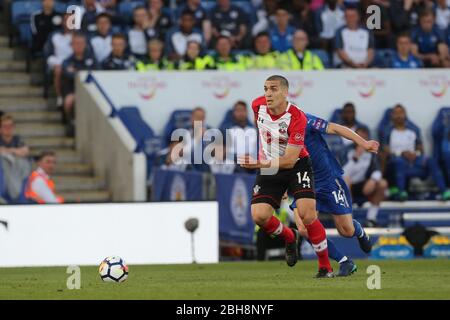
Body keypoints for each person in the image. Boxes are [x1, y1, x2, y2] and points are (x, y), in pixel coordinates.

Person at [238, 75, 334, 278]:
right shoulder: (257, 106)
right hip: (271, 166)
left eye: (273, 89)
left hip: (297, 165)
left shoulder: (297, 116)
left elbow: (290, 159)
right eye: (265, 88)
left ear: (285, 92)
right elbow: (265, 134)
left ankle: (325, 267)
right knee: (259, 216)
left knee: (308, 215)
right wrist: (264, 159)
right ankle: (290, 237)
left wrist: (257, 163)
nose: (268, 93)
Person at [287, 112, 378, 276]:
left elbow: (334, 128)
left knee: (346, 231)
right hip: (304, 181)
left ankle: (359, 231)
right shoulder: (271, 130)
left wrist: (363, 143)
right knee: (303, 227)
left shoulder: (303, 119)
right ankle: (344, 262)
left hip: (328, 180)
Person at [383, 104, 450, 201]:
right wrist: (401, 153)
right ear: (392, 116)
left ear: (405, 114)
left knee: (431, 160)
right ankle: (401, 192)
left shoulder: (414, 129)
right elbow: (385, 149)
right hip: (396, 158)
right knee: (399, 162)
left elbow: (420, 148)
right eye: (396, 113)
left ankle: (444, 191)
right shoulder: (387, 131)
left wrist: (415, 153)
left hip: (414, 158)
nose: (399, 116)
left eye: (401, 113)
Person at [343, 127, 388, 227]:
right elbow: (342, 173)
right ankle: (349, 218)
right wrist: (356, 157)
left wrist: (373, 180)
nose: (361, 140)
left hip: (363, 184)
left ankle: (371, 218)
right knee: (346, 180)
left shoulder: (372, 152)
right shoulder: (346, 150)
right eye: (358, 137)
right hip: (346, 185)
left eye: (364, 137)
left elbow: (377, 170)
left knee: (382, 183)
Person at [61, 33, 98, 135]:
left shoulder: (92, 60)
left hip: (91, 90)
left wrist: (76, 72)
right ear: (71, 45)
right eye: (76, 43)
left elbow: (97, 74)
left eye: (81, 43)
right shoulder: (67, 61)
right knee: (69, 100)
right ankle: (72, 123)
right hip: (73, 90)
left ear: (85, 45)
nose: (79, 45)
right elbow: (69, 75)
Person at [0, 114, 32, 202]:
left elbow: (25, 151)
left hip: (16, 170)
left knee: (25, 163)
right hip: (4, 172)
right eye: (5, 126)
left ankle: (19, 195)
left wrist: (7, 150)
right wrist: (15, 151)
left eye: (10, 126)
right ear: (0, 128)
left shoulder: (18, 139)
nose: (8, 128)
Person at [45, 13, 73, 108]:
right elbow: (48, 54)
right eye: (66, 20)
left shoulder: (79, 36)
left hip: (75, 63)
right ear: (62, 22)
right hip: (58, 63)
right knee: (58, 70)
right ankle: (60, 97)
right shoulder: (54, 36)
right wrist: (62, 64)